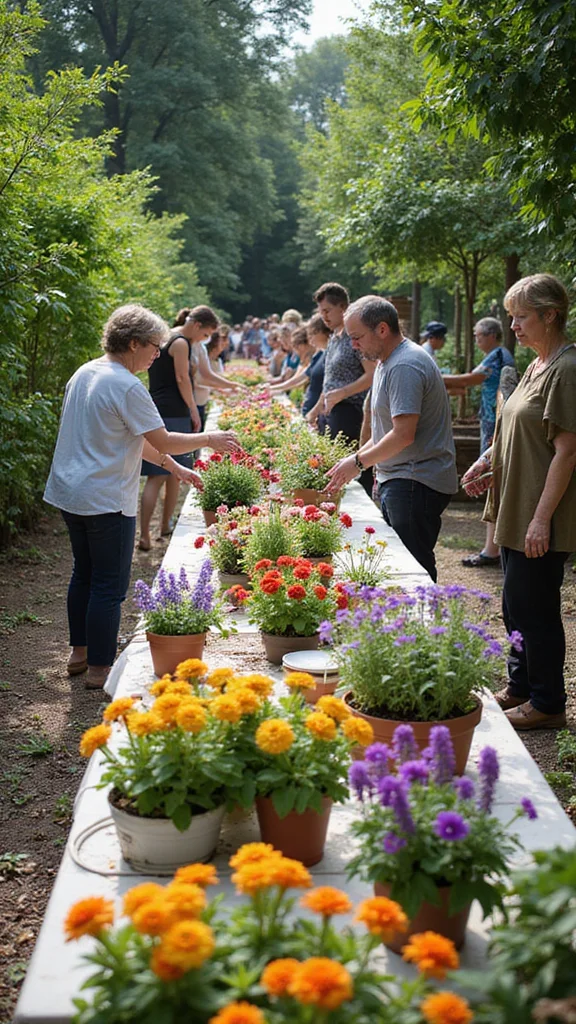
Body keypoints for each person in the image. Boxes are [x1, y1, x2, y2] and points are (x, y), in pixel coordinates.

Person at [43, 304, 240, 690]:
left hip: (71, 492)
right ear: (132, 343)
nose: (157, 354)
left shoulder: (86, 372)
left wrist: (175, 467)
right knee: (108, 584)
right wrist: (209, 439)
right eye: (153, 346)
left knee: (83, 572)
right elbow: (161, 436)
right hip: (104, 497)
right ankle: (100, 668)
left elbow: (136, 438)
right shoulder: (127, 385)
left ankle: (79, 653)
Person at [462, 273, 576, 731]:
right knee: (514, 604)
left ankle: (548, 702)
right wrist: (485, 462)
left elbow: (567, 450)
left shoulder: (567, 369)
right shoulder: (534, 365)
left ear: (551, 316)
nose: (513, 326)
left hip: (538, 512)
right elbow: (513, 426)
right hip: (513, 505)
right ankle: (522, 685)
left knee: (536, 608)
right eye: (510, 317)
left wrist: (541, 520)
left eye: (521, 317)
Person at [326, 295, 458, 582]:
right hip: (405, 478)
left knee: (413, 571)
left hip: (416, 481)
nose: (353, 345)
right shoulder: (390, 360)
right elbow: (386, 433)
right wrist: (358, 461)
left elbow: (402, 435)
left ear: (382, 329)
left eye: (357, 337)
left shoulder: (404, 365)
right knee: (403, 565)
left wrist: (359, 462)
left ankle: (425, 625)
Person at [443, 317, 516, 567]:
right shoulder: (498, 354)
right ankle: (492, 547)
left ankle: (492, 550)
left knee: (491, 480)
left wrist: (431, 378)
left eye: (478, 335)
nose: (476, 339)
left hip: (496, 429)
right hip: (490, 424)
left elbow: (468, 380)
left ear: (491, 335)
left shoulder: (497, 355)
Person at [306, 281, 376, 497]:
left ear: (342, 308)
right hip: (330, 412)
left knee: (346, 472)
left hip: (349, 412)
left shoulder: (354, 338)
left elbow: (372, 374)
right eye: (321, 311)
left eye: (327, 310)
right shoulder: (334, 338)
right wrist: (316, 408)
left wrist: (342, 393)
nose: (323, 316)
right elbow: (329, 381)